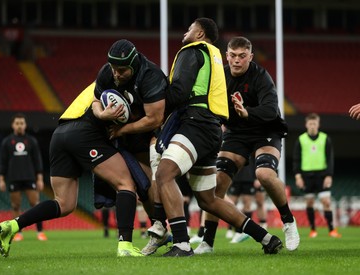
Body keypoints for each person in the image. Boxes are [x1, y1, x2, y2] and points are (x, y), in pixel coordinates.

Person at [0, 39, 167, 258]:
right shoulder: (119, 87)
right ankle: (125, 245)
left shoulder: (103, 82)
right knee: (126, 184)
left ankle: (14, 225)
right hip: (83, 132)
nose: (116, 74)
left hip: (59, 134)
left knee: (64, 203)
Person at [146, 18, 283, 257]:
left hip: (195, 125)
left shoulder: (192, 51)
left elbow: (179, 91)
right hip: (212, 131)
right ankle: (266, 237)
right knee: (209, 200)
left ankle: (181, 243)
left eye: (189, 28)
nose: (185, 32)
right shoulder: (216, 57)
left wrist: (154, 105)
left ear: (199, 33)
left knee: (164, 173)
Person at [195, 36, 299, 254]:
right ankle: (207, 242)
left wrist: (247, 112)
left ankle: (288, 222)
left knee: (265, 175)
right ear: (226, 56)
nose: (236, 61)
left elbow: (271, 110)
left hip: (265, 130)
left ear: (250, 57)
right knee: (217, 184)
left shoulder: (261, 76)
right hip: (236, 134)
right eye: (232, 55)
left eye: (242, 56)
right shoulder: (219, 77)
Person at [0, 113, 47, 242]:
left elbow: (38, 161)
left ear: (25, 125)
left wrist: (40, 178)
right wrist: (1, 179)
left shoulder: (31, 141)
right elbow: (3, 162)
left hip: (30, 177)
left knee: (36, 205)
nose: (19, 126)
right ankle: (18, 233)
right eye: (17, 123)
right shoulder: (7, 142)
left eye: (21, 123)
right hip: (14, 178)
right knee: (15, 206)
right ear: (13, 125)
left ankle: (40, 232)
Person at [293, 113, 341, 238]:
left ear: (318, 124)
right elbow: (296, 159)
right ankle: (313, 229)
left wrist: (329, 175)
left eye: (315, 123)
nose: (312, 126)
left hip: (322, 175)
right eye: (310, 123)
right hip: (307, 176)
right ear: (306, 124)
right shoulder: (301, 139)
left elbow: (330, 158)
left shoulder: (325, 138)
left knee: (326, 202)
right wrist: (298, 176)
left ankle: (331, 230)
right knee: (309, 203)